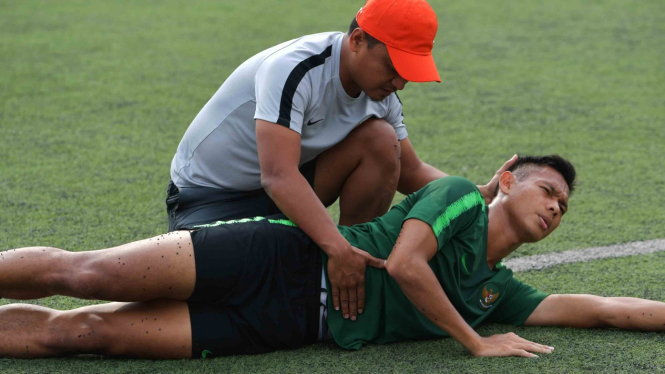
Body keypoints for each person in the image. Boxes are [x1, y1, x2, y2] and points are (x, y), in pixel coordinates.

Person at [2, 155, 665, 359]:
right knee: (81, 272)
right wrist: (474, 341)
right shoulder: (459, 197)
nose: (555, 208)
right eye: (548, 190)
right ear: (509, 179)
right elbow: (405, 264)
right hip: (276, 260)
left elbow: (604, 310)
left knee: (88, 334)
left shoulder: (499, 292)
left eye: (564, 208)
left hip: (286, 326)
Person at [166, 0, 518, 321]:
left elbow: (410, 171)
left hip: (285, 191)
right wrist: (338, 248)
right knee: (215, 290)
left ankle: (347, 280)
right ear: (357, 40)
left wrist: (475, 195)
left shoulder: (382, 95)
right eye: (394, 65)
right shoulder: (293, 68)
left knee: (381, 141)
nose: (401, 83)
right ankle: (340, 261)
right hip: (208, 198)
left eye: (409, 71)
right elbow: (278, 176)